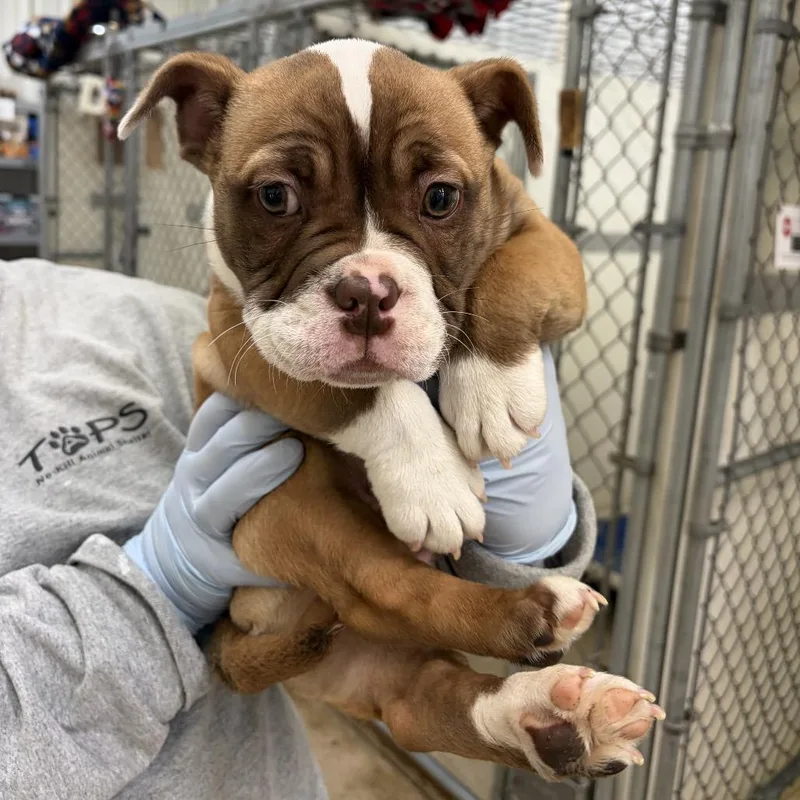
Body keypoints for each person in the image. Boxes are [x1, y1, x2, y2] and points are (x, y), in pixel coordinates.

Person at [1, 258, 580, 799]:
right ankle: (491, 638)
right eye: (276, 197)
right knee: (361, 602)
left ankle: (493, 707)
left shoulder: (96, 307)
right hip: (271, 594)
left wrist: (526, 544)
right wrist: (155, 591)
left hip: (273, 759)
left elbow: (242, 360)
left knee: (406, 678)